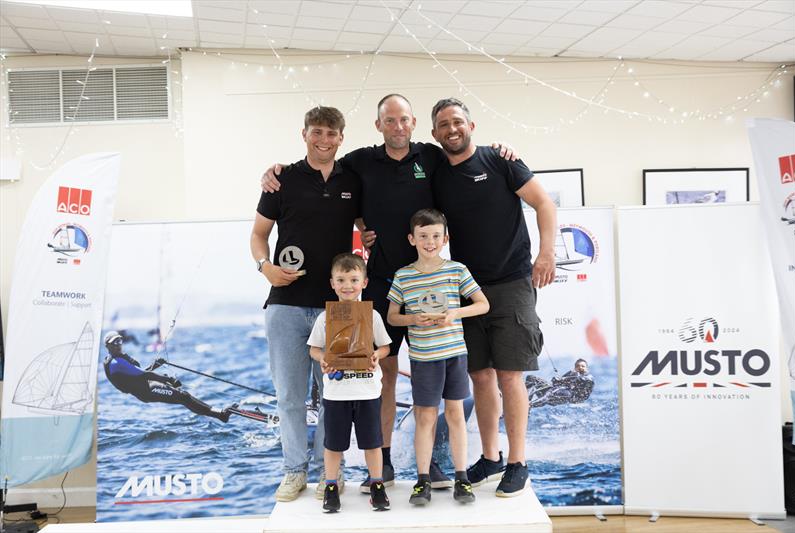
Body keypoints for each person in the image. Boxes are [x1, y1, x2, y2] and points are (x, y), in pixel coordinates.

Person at [260, 95, 516, 492]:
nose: (397, 127)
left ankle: (437, 465)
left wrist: (499, 151)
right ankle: (380, 468)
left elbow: (465, 154)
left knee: (441, 377)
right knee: (381, 375)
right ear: (378, 126)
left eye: (403, 120)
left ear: (414, 123)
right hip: (377, 285)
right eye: (388, 121)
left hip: (428, 282)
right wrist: (275, 172)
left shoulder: (431, 156)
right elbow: (321, 168)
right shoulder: (359, 161)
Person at [429, 97, 557, 498]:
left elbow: (543, 203)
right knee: (480, 377)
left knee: (510, 376)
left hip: (513, 284)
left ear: (471, 124)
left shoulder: (501, 160)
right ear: (434, 134)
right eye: (444, 125)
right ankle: (491, 457)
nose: (452, 129)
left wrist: (546, 252)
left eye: (458, 121)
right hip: (467, 291)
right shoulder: (436, 174)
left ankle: (518, 462)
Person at [250, 106, 361, 502]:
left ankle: (331, 473)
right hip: (286, 305)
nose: (324, 140)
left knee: (338, 395)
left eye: (331, 134)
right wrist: (266, 268)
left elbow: (369, 230)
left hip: (342, 308)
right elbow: (259, 236)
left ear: (341, 138)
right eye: (317, 132)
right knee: (289, 398)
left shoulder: (354, 180)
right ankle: (294, 472)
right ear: (304, 134)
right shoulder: (282, 180)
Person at [387, 208, 490, 506]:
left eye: (435, 236)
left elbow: (482, 304)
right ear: (412, 239)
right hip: (423, 358)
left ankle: (462, 478)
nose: (429, 241)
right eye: (423, 236)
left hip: (454, 354)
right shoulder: (403, 275)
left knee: (456, 414)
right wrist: (413, 319)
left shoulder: (457, 270)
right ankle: (422, 480)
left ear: (445, 238)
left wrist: (456, 312)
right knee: (426, 416)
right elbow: (393, 317)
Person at [307, 253, 393, 513]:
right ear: (332, 283)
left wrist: (377, 355)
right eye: (341, 280)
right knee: (333, 445)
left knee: (372, 443)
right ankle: (331, 486)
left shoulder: (373, 315)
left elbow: (386, 346)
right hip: (336, 394)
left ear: (364, 282)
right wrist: (323, 359)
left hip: (367, 391)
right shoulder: (325, 318)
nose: (347, 285)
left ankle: (377, 485)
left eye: (354, 279)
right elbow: (314, 348)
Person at [102, 331, 234, 422]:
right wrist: (168, 379)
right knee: (183, 397)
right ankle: (221, 415)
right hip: (147, 391)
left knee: (184, 396)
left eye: (119, 340)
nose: (118, 344)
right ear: (108, 346)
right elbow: (145, 375)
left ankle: (220, 414)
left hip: (148, 387)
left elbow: (138, 374)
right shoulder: (116, 363)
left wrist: (155, 365)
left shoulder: (118, 360)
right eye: (114, 342)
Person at [527, 359, 595, 408]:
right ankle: (526, 399)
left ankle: (528, 405)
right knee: (531, 378)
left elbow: (580, 379)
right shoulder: (572, 373)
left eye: (583, 366)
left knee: (551, 392)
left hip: (570, 396)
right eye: (578, 366)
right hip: (557, 391)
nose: (580, 367)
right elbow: (559, 382)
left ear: (587, 368)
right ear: (575, 367)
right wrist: (556, 380)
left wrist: (565, 378)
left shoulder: (589, 377)